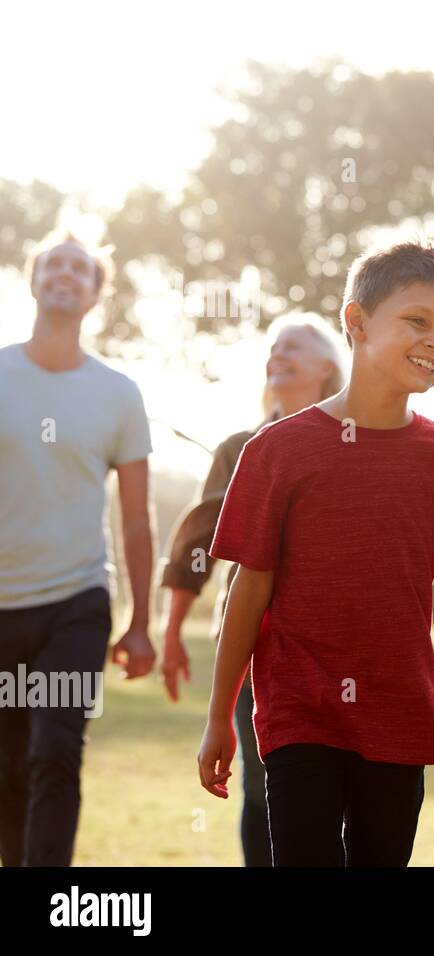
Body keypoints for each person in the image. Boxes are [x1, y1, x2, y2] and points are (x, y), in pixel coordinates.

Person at [196, 239, 434, 866]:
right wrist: (220, 717)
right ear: (355, 322)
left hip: (399, 717)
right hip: (299, 714)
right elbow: (248, 592)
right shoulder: (276, 452)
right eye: (417, 322)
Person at [160, 313, 346, 866]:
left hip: (335, 648)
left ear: (327, 369)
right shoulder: (239, 448)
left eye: (293, 347)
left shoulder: (354, 443)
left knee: (335, 787)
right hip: (253, 649)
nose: (278, 354)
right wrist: (170, 633)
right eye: (272, 348)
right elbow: (195, 542)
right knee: (264, 787)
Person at [0, 230, 156, 866]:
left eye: (80, 269)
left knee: (56, 751)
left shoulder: (118, 393)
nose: (65, 274)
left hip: (77, 601)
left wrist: (142, 623)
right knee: (8, 767)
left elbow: (136, 517)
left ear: (95, 294)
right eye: (53, 265)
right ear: (35, 280)